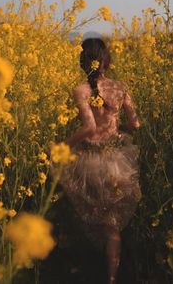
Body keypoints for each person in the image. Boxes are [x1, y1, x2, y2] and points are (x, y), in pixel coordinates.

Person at [60, 37, 141, 284]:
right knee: (112, 224)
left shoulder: (81, 91)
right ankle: (111, 276)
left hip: (91, 162)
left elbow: (88, 128)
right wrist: (118, 129)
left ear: (83, 62)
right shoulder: (120, 87)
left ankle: (93, 267)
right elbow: (136, 124)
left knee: (93, 217)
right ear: (106, 60)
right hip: (118, 160)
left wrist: (62, 147)